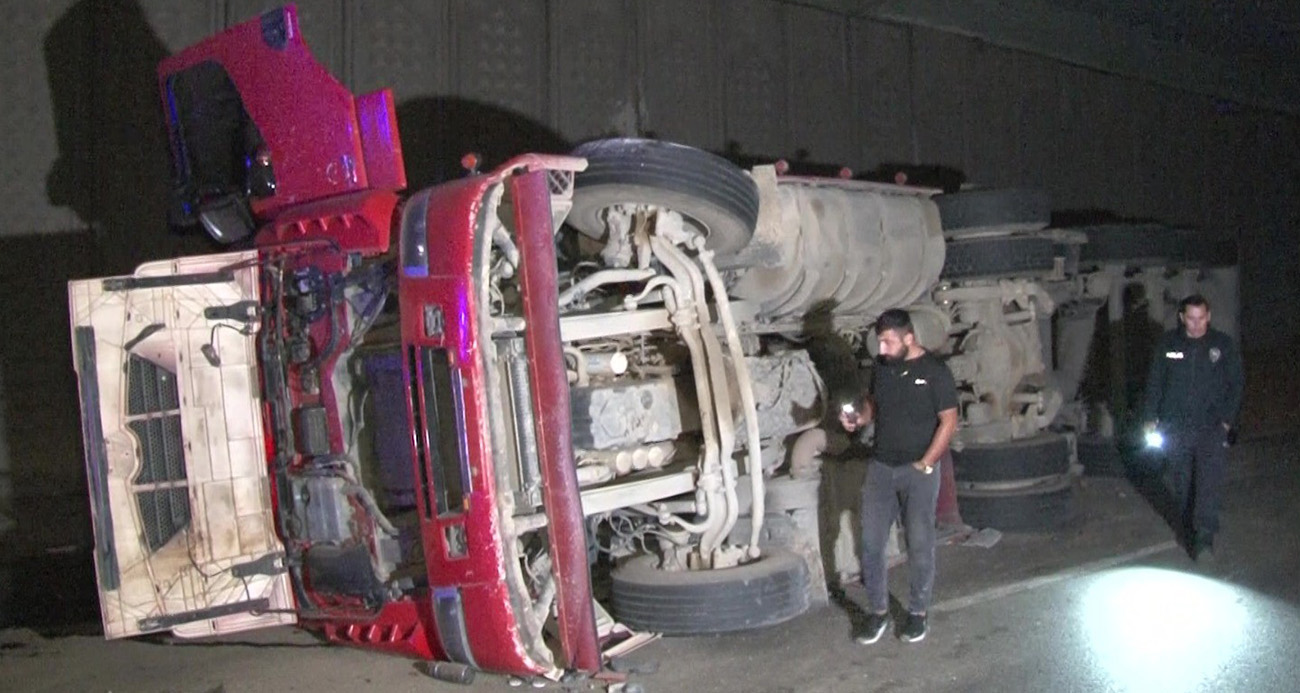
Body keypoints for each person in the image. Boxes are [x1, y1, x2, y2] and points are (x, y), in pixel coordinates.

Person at [840, 309, 958, 644]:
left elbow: (949, 421)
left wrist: (926, 462)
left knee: (919, 544)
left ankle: (918, 613)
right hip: (881, 469)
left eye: (888, 342)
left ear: (909, 339)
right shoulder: (882, 367)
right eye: (879, 342)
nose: (882, 349)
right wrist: (859, 419)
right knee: (871, 543)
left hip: (917, 471)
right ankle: (878, 613)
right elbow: (873, 405)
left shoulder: (935, 372)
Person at [1142, 294, 1243, 562]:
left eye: (1201, 318)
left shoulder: (1222, 346)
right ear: (1182, 317)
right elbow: (1155, 383)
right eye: (1191, 318)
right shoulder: (1169, 345)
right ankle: (1189, 527)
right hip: (1176, 426)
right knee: (1183, 481)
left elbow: (1236, 386)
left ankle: (1205, 537)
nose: (1196, 325)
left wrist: (1226, 421)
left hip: (1211, 427)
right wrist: (1151, 417)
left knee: (1208, 481)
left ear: (1208, 316)